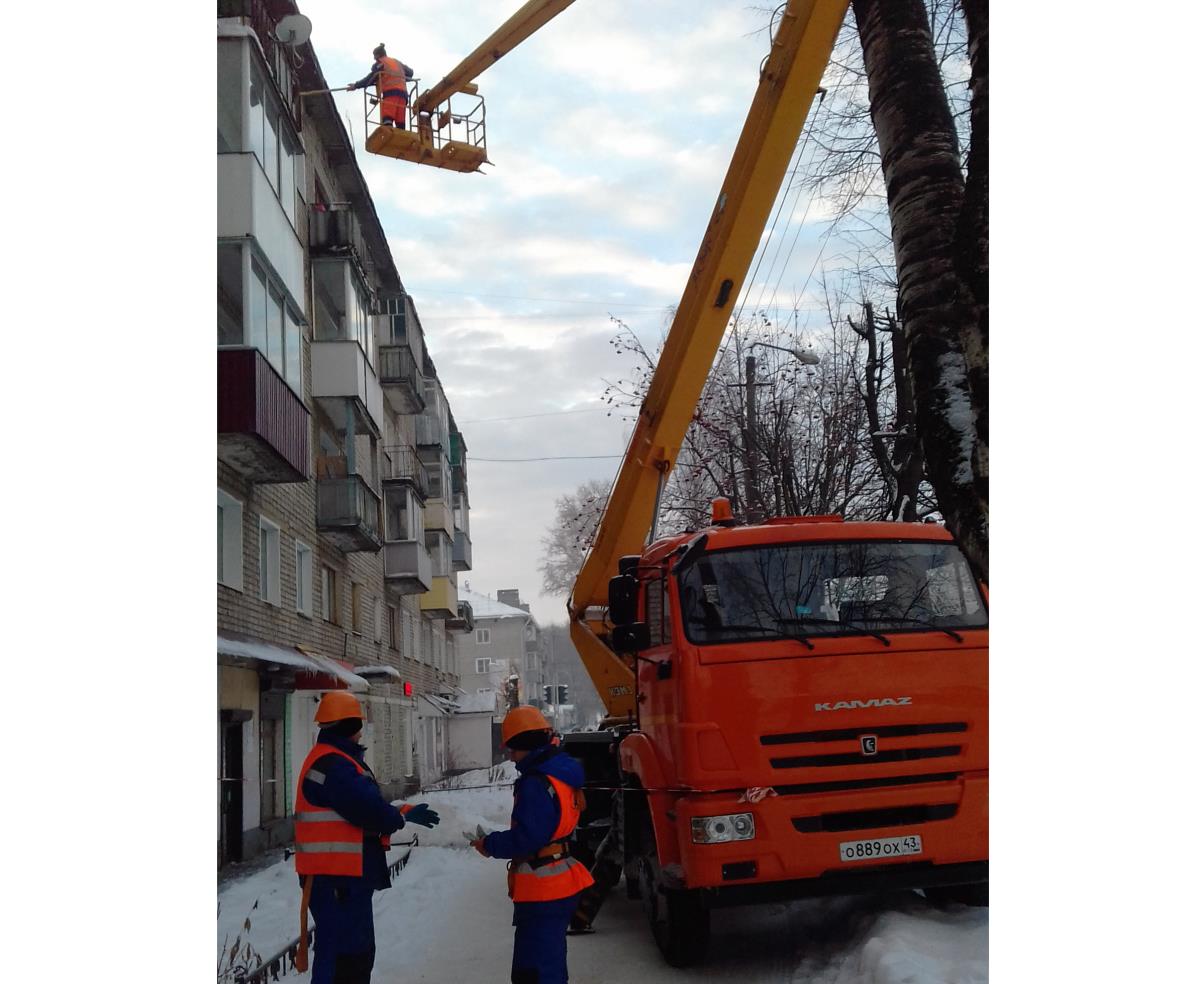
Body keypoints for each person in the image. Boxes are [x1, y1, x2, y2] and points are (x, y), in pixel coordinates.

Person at [294, 691, 441, 984]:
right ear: (352, 726)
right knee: (347, 960)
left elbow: (356, 808)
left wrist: (401, 811)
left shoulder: (331, 760)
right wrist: (395, 817)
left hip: (336, 878)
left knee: (343, 956)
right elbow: (368, 810)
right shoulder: (336, 766)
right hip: (338, 880)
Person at [471, 706, 595, 984]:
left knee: (537, 971)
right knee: (545, 964)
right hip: (557, 878)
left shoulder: (536, 783)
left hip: (543, 889)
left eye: (513, 749)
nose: (511, 756)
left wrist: (489, 844)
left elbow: (527, 838)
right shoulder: (560, 773)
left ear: (525, 745)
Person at [347, 43, 413, 129]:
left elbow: (371, 77)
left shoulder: (381, 63)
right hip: (403, 96)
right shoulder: (396, 62)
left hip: (391, 94)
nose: (374, 58)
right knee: (400, 123)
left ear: (378, 55)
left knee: (387, 119)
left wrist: (356, 85)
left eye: (374, 56)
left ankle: (388, 137)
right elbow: (410, 73)